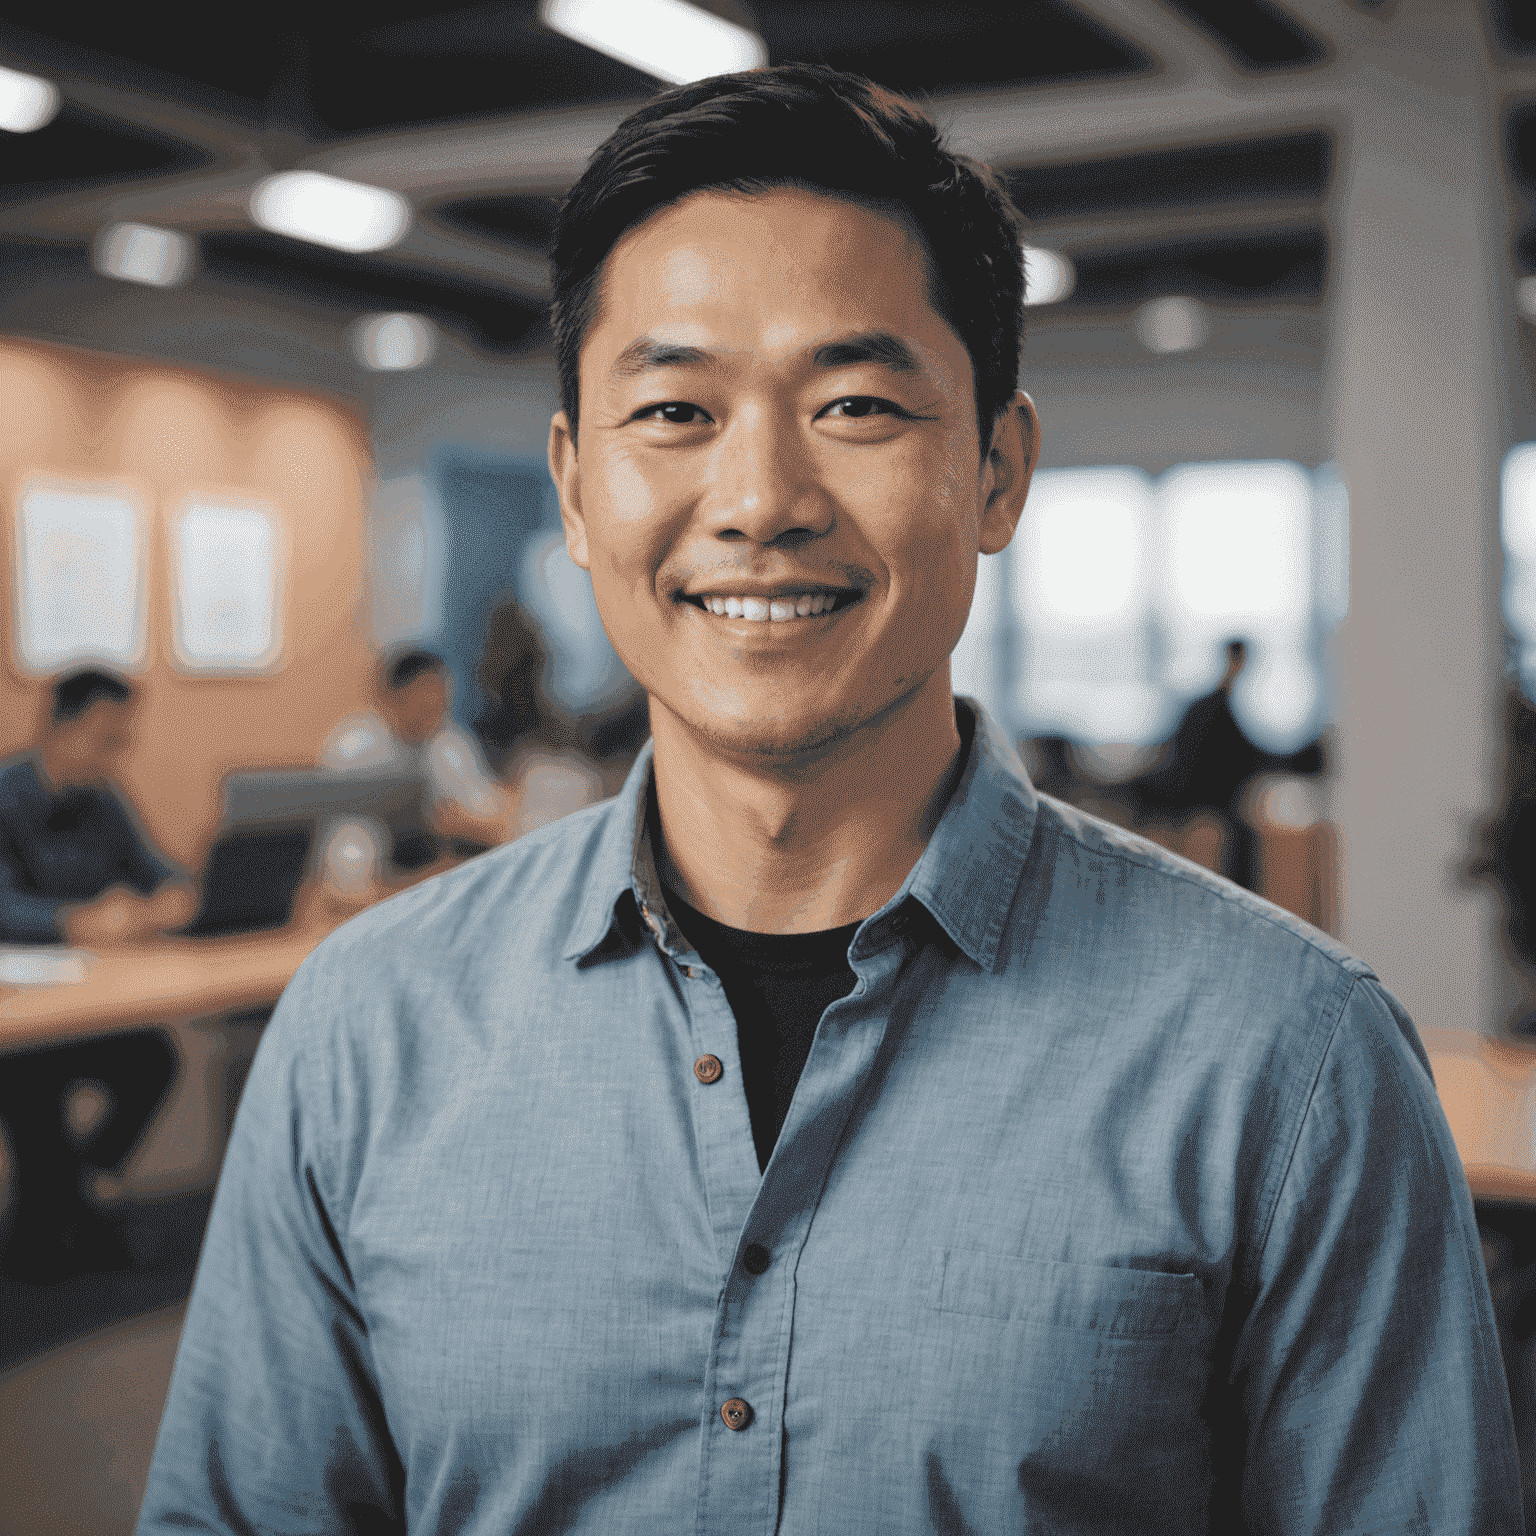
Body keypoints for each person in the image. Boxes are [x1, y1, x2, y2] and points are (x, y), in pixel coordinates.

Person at [139, 65, 1520, 1532]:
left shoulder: (1287, 1061)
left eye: (856, 402)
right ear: (575, 485)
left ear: (997, 471)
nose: (760, 498)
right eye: (674, 409)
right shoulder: (367, 1034)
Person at [0, 668, 194, 1280]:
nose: (117, 756)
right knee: (30, 1085)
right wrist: (79, 922)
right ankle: (51, 1223)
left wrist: (170, 899)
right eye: (107, 739)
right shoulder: (6, 793)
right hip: (20, 1015)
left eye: (123, 741)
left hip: (86, 1001)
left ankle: (76, 1189)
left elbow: (160, 870)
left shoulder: (103, 798)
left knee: (153, 1059)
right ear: (59, 729)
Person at [1137, 638, 1325, 889]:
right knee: (1242, 840)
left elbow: (1246, 756)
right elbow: (1236, 759)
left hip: (1197, 802)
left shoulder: (1211, 706)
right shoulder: (1211, 710)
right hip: (1196, 802)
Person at [319, 648, 517, 869]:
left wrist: (467, 822)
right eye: (423, 694)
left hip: (431, 862)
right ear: (392, 697)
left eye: (440, 693)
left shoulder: (448, 742)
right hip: (363, 862)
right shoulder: (357, 746)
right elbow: (345, 844)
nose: (435, 702)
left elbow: (489, 811)